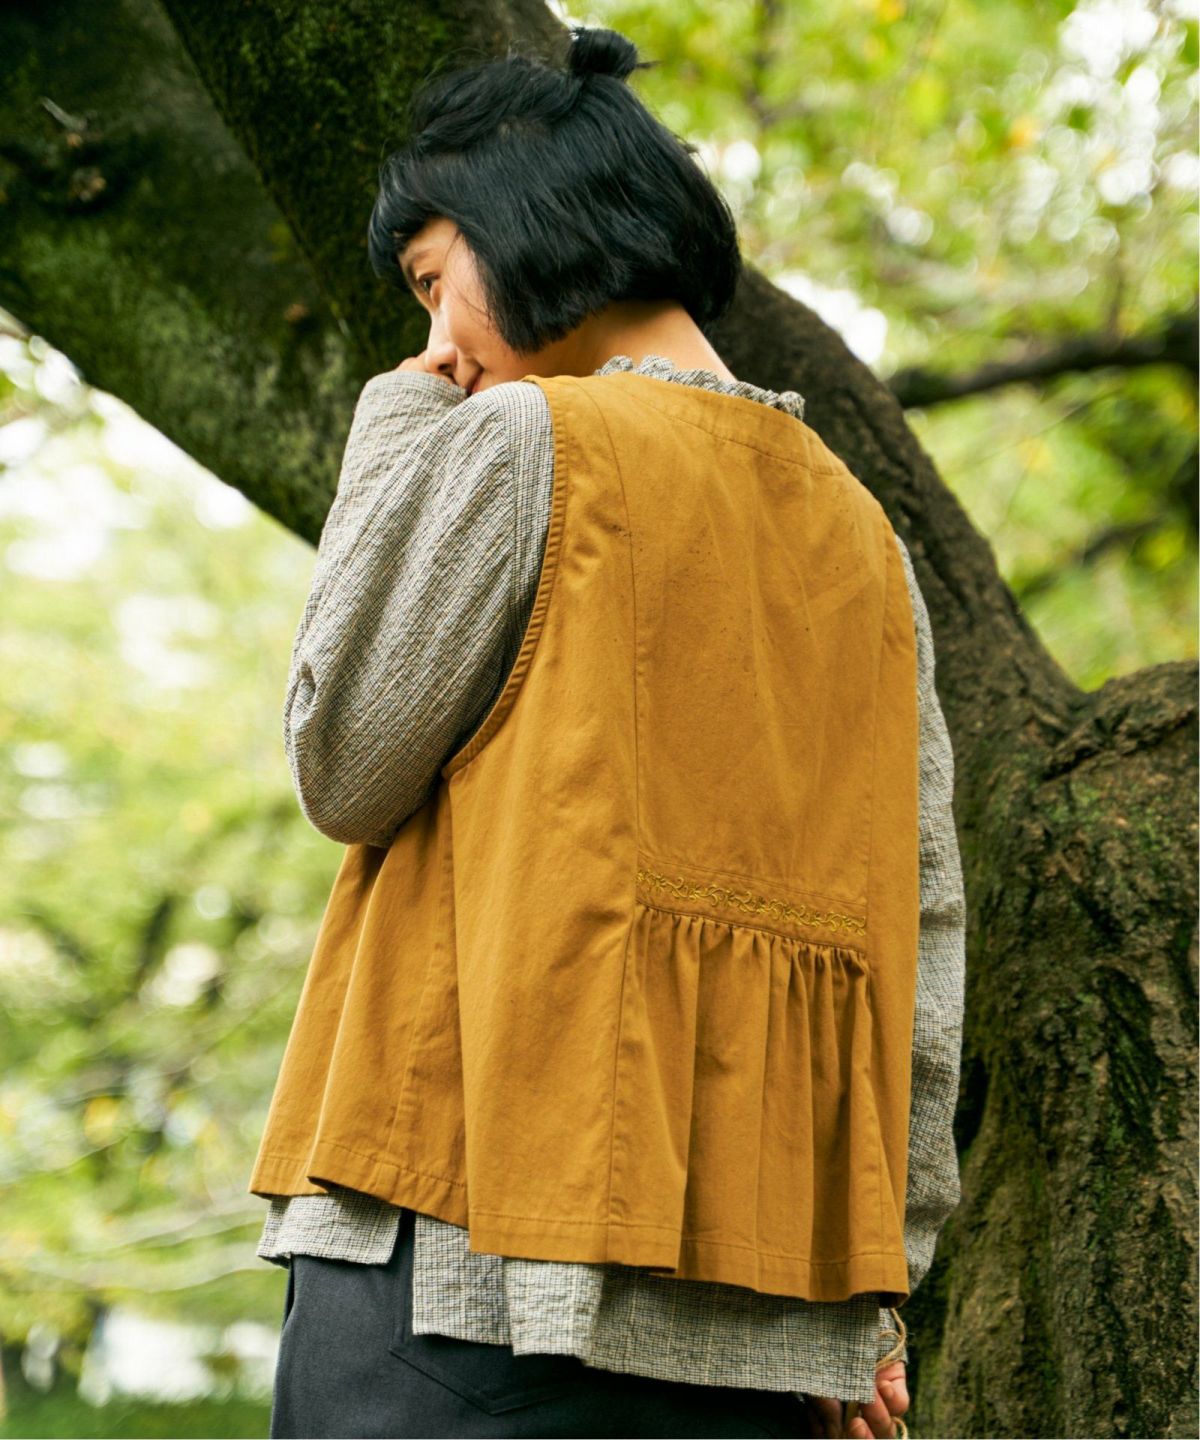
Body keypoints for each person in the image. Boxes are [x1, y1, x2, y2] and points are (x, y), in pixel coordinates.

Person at [251, 23, 966, 1440]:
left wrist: (395, 427)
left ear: (528, 223)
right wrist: (871, 1301)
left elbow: (340, 754)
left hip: (456, 1273)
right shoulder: (864, 541)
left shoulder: (527, 441)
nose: (435, 346)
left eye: (433, 283)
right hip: (759, 1314)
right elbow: (925, 937)